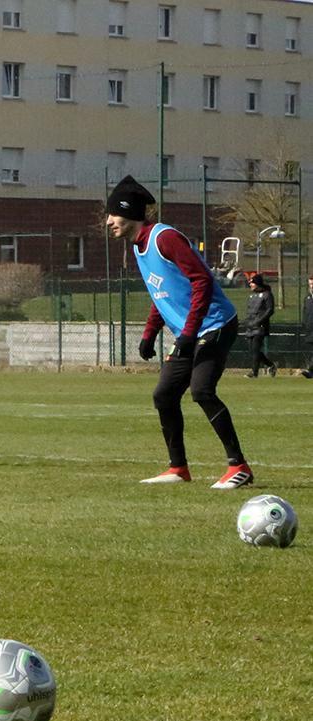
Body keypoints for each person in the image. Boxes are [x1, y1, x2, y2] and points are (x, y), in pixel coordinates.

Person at [105, 175, 253, 489]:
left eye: (112, 214)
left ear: (129, 212)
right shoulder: (138, 247)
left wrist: (187, 334)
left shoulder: (164, 238)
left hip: (215, 324)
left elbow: (202, 281)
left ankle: (239, 466)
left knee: (201, 390)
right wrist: (150, 333)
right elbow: (164, 294)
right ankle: (178, 468)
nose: (108, 222)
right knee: (164, 394)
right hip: (192, 331)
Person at [242, 272, 277, 378]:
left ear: (258, 283)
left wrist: (259, 321)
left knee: (255, 349)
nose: (251, 285)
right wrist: (247, 322)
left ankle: (254, 372)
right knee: (252, 350)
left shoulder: (267, 294)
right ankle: (271, 365)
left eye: (252, 283)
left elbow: (270, 310)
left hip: (260, 327)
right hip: (250, 326)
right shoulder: (252, 296)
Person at [301, 275, 313, 378]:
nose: (311, 286)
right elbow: (305, 312)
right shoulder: (307, 297)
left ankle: (310, 371)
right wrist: (305, 323)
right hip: (310, 329)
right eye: (310, 284)